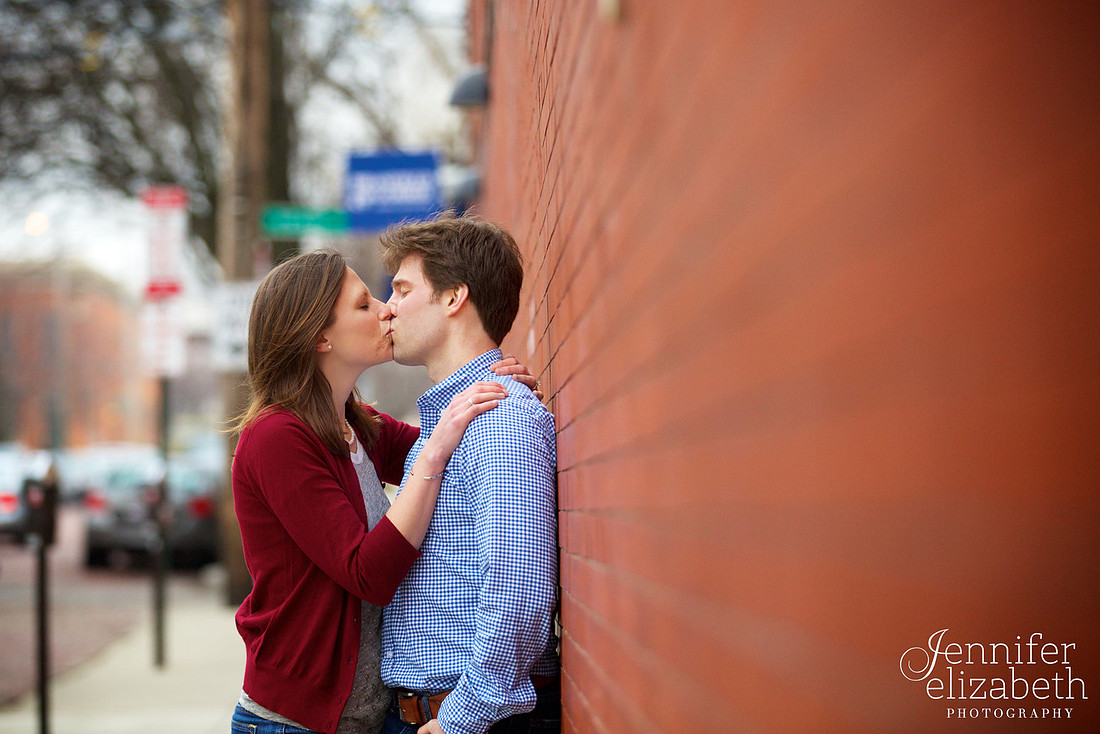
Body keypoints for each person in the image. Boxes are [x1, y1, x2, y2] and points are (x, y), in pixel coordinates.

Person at [229, 248, 542, 734]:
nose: (385, 309)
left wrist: (497, 390)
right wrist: (437, 448)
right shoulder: (276, 438)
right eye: (363, 305)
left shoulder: (358, 426)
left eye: (387, 296)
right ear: (319, 338)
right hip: (294, 722)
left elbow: (466, 459)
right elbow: (367, 572)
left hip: (367, 718)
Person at [378, 214, 560, 734]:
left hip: (471, 721)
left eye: (403, 289)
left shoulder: (500, 423)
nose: (388, 308)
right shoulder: (458, 422)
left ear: (454, 298)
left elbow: (518, 589)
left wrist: (462, 718)